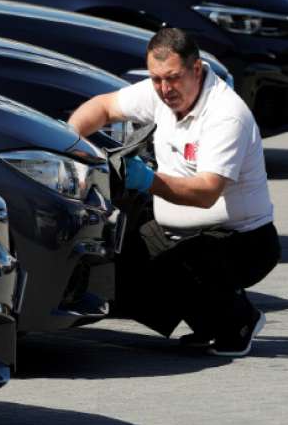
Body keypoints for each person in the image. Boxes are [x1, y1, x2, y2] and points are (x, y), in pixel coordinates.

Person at [67, 27, 280, 357]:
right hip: (180, 229)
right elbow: (102, 106)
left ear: (196, 69)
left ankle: (239, 321)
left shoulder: (226, 115)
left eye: (172, 78)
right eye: (156, 79)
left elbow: (207, 193)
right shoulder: (162, 92)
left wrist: (147, 180)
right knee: (121, 259)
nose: (164, 89)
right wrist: (71, 144)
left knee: (188, 258)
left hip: (244, 240)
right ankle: (207, 320)